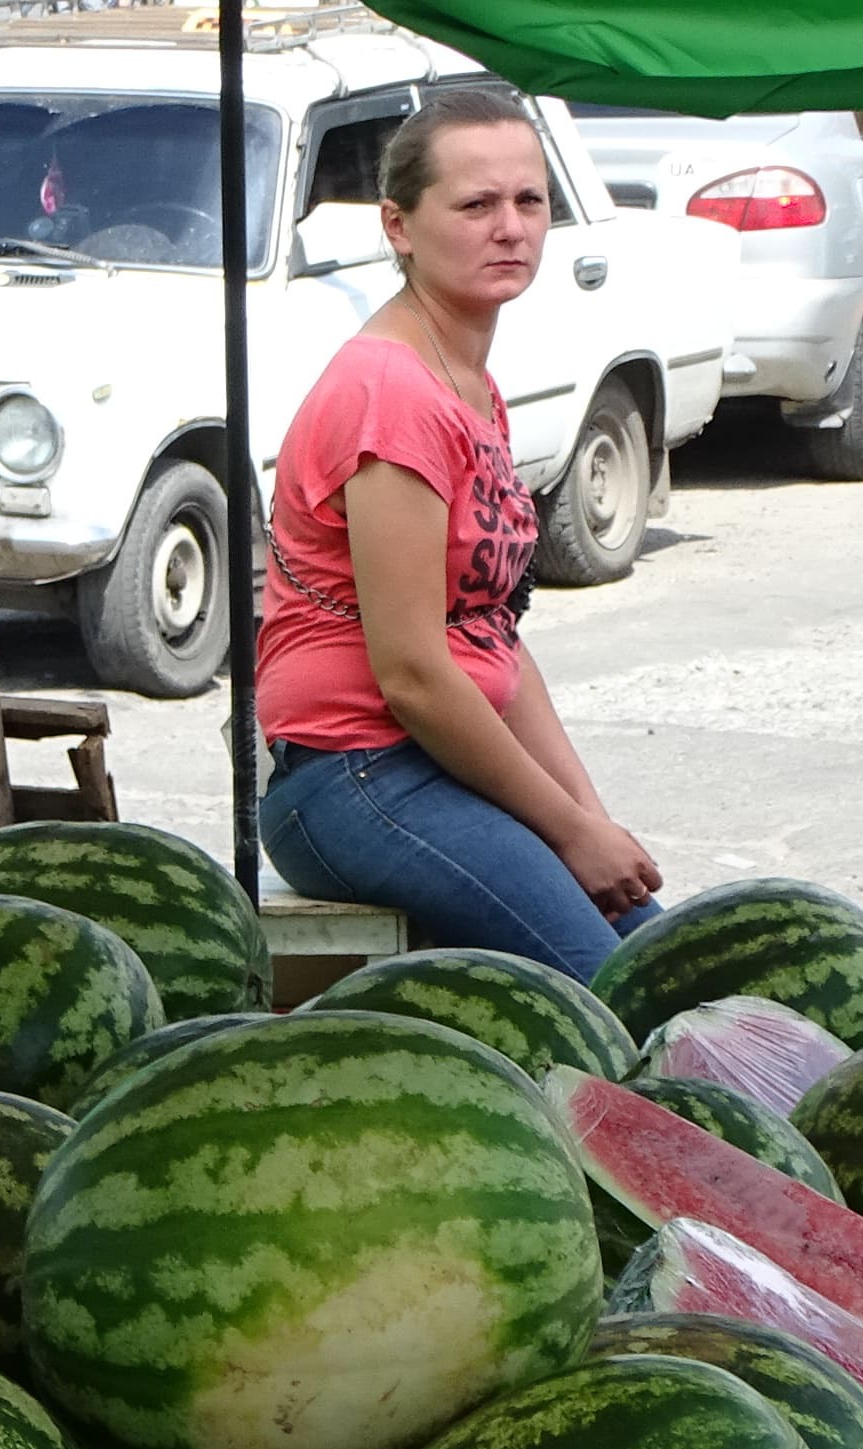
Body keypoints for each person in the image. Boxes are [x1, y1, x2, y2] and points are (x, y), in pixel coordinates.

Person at [253, 90, 660, 979]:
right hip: (356, 778)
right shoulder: (392, 395)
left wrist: (588, 820)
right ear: (399, 225)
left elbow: (491, 639)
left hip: (439, 763)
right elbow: (413, 675)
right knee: (614, 997)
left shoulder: (469, 383)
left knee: (661, 952)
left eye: (529, 201)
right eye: (475, 205)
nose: (509, 228)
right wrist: (568, 831)